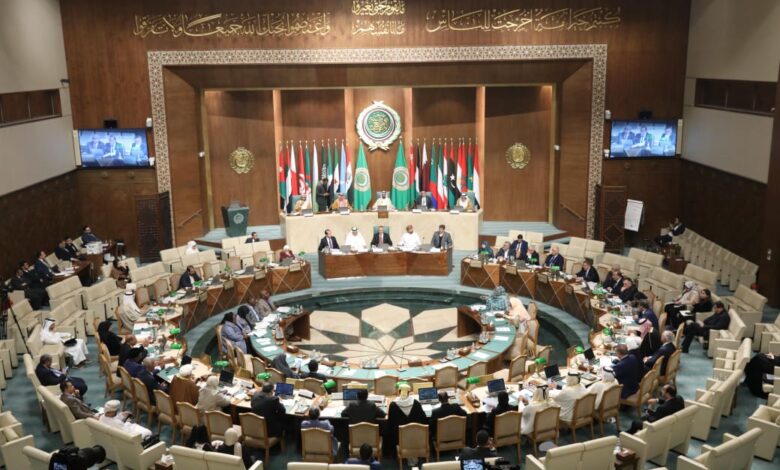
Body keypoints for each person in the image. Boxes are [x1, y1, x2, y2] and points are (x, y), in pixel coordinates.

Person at [385, 383, 427, 459]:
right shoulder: (416, 403)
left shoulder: (393, 405)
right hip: (416, 435)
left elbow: (390, 423)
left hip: (399, 438)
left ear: (399, 392)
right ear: (409, 392)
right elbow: (423, 419)